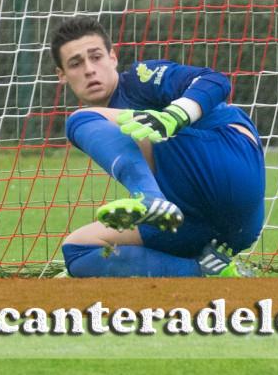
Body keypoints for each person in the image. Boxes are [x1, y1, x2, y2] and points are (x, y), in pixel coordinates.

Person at [50, 15, 266, 277]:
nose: (89, 69)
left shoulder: (140, 79)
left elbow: (217, 80)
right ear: (62, 75)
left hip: (229, 161)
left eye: (96, 57)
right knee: (78, 251)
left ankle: (149, 198)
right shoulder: (104, 132)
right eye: (76, 63)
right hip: (220, 226)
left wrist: (175, 115)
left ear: (113, 58)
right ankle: (205, 272)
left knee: (79, 119)